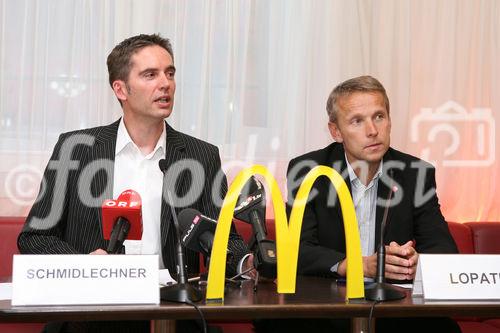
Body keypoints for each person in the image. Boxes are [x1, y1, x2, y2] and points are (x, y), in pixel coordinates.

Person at [18, 33, 250, 333]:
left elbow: (223, 241)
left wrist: (246, 262)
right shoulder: (76, 149)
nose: (165, 83)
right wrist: (85, 265)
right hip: (94, 312)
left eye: (170, 73)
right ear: (121, 89)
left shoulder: (200, 155)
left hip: (173, 312)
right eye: (150, 75)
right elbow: (34, 238)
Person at [255, 75, 460, 333]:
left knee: (444, 329)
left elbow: (445, 251)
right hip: (326, 305)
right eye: (357, 121)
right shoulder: (308, 170)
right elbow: (296, 250)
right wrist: (358, 265)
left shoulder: (415, 173)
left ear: (389, 121)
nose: (372, 130)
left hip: (391, 307)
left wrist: (417, 264)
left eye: (379, 117)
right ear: (336, 131)